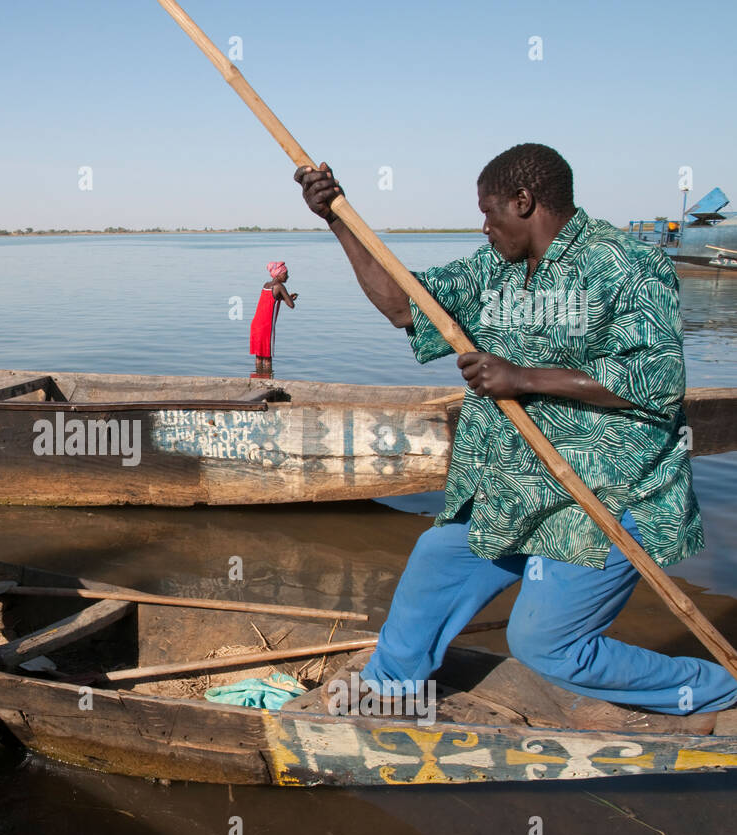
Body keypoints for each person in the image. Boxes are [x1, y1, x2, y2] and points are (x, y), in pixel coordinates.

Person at [294, 142, 736, 717]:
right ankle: (391, 692)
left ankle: (716, 690)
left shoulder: (627, 266)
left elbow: (655, 381)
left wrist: (523, 378)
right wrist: (338, 219)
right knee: (437, 557)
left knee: (547, 646)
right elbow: (404, 307)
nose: (483, 227)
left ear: (523, 201)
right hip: (514, 492)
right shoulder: (492, 270)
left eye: (489, 211)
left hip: (602, 502)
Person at [249, 261, 297, 377]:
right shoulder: (280, 286)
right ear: (278, 274)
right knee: (267, 358)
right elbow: (291, 305)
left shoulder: (266, 285)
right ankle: (267, 380)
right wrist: (290, 298)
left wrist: (285, 298)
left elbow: (271, 299)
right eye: (286, 273)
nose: (288, 276)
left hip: (256, 324)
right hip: (266, 326)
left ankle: (258, 378)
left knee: (259, 356)